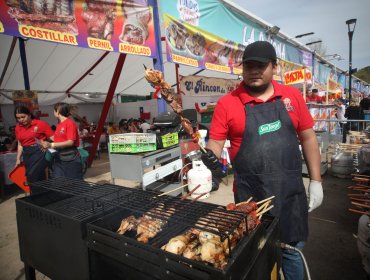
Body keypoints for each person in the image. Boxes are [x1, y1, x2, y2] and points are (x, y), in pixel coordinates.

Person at [201, 41, 323, 280]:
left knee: (292, 254)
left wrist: (316, 181)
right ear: (243, 69)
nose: (254, 71)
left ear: (274, 68)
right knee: (257, 260)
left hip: (289, 194)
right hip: (250, 198)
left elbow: (308, 138)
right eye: (249, 66)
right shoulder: (228, 103)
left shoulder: (292, 96)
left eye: (261, 65)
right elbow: (215, 142)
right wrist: (209, 156)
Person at [14, 106, 54, 191]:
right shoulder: (18, 127)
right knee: (34, 178)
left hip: (38, 152)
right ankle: (39, 199)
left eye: (23, 117)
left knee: (33, 176)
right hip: (27, 154)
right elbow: (20, 144)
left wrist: (48, 145)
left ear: (29, 115)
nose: (21, 119)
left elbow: (54, 138)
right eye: (18, 118)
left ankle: (38, 198)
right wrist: (18, 158)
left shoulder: (40, 124)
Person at [40, 103, 83, 179]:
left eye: (54, 110)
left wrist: (51, 145)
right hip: (59, 157)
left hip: (70, 158)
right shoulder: (59, 125)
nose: (53, 112)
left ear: (58, 111)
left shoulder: (69, 123)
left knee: (74, 183)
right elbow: (58, 141)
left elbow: (70, 142)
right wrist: (47, 145)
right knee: (58, 181)